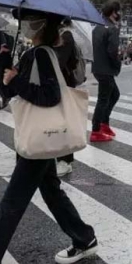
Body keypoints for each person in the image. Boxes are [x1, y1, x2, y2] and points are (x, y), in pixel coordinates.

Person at [0, 11, 99, 264]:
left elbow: (49, 96)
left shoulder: (42, 54)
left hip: (41, 138)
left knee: (12, 202)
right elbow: (10, 91)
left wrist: (16, 80)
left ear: (41, 24)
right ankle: (84, 238)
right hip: (40, 137)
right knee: (51, 191)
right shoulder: (34, 52)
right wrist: (7, 61)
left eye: (29, 20)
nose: (25, 25)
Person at [90, 0, 122, 142]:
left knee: (114, 94)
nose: (119, 14)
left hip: (97, 68)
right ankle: (96, 130)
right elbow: (112, 51)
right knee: (103, 99)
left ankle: (104, 123)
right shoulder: (112, 28)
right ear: (113, 12)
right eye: (118, 11)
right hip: (106, 69)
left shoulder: (97, 27)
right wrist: (117, 64)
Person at [54, 18, 81, 176]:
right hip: (58, 84)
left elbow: (60, 61)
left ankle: (65, 160)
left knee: (64, 122)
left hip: (64, 84)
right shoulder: (59, 36)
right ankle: (58, 157)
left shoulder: (66, 36)